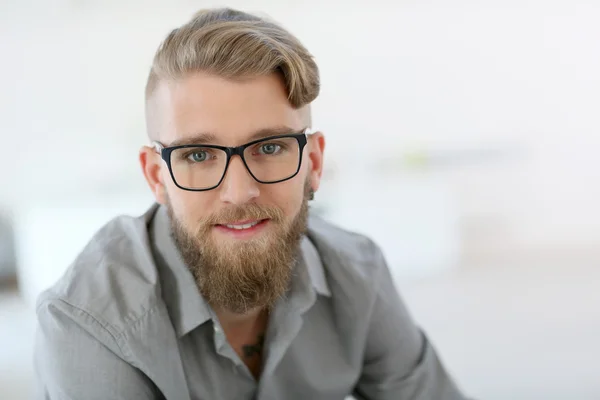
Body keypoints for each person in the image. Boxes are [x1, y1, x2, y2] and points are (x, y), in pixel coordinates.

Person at [34, 7, 469, 400]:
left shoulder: (358, 272)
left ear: (313, 162)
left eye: (271, 147)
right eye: (199, 156)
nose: (240, 192)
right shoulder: (89, 323)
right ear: (156, 176)